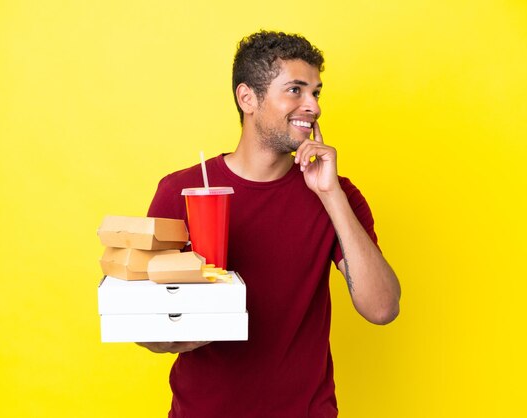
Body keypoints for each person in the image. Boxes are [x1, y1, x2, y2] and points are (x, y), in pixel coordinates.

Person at [138, 30, 401, 417]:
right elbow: (145, 321)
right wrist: (176, 337)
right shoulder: (182, 190)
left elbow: (382, 308)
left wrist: (329, 195)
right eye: (295, 90)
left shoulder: (337, 195)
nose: (313, 106)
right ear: (248, 98)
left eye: (316, 92)